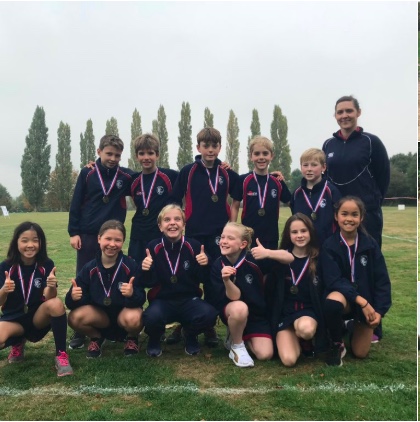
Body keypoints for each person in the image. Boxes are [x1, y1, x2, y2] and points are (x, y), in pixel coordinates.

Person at [322, 95, 390, 342]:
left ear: (358, 112)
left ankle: (374, 323)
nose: (344, 116)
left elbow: (383, 177)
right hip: (339, 217)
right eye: (340, 112)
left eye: (349, 111)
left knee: (368, 267)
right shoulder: (328, 144)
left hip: (366, 215)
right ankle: (345, 316)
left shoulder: (371, 142)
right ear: (335, 115)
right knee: (341, 265)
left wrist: (370, 206)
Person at [169, 127, 239, 346]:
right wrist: (181, 221)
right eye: (206, 146)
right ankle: (183, 322)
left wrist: (275, 176)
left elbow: (243, 190)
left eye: (214, 146)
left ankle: (208, 325)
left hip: (219, 236)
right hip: (194, 234)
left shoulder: (226, 172)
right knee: (188, 278)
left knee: (213, 280)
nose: (210, 150)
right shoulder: (188, 171)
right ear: (198, 147)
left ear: (220, 147)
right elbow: (174, 198)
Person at [68, 134, 135, 349]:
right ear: (98, 152)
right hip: (88, 235)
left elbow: (146, 175)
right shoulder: (88, 173)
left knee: (112, 276)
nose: (113, 158)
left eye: (117, 155)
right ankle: (81, 331)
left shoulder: (125, 176)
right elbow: (76, 202)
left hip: (112, 236)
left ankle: (113, 319)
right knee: (84, 279)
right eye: (108, 154)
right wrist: (74, 232)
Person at [319, 196, 391, 366]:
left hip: (364, 305)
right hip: (348, 300)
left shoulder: (370, 245)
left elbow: (382, 281)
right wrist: (362, 302)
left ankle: (351, 325)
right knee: (333, 301)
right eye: (344, 214)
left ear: (361, 218)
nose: (349, 219)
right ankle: (336, 343)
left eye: (354, 214)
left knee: (360, 353)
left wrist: (379, 312)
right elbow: (334, 280)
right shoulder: (329, 245)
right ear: (336, 216)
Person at [209, 222, 293, 367]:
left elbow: (289, 258)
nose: (224, 241)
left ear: (243, 244)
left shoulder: (255, 259)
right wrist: (226, 280)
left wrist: (268, 253)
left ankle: (239, 335)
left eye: (230, 238)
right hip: (233, 311)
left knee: (265, 354)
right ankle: (236, 346)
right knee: (240, 308)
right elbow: (234, 297)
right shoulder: (218, 265)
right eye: (222, 237)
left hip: (256, 316)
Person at [141, 204, 218, 357]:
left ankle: (189, 335)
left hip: (189, 300)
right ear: (160, 226)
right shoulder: (153, 247)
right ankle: (155, 339)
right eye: (167, 220)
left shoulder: (194, 246)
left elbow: (203, 278)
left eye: (177, 219)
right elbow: (148, 283)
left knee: (209, 314)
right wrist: (146, 269)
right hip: (163, 300)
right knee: (150, 317)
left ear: (183, 224)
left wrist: (205, 263)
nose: (172, 223)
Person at [0, 222, 73, 376]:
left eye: (35, 240)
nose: (30, 245)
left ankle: (61, 355)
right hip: (14, 320)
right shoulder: (5, 266)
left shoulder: (46, 264)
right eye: (25, 240)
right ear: (16, 242)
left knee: (56, 304)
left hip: (36, 318)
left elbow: (49, 297)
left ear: (41, 243)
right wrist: (4, 290)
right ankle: (17, 342)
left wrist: (51, 286)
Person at [65, 220, 144, 358]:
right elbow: (71, 302)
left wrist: (132, 294)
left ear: (123, 242)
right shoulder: (89, 268)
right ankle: (96, 337)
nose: (112, 244)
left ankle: (131, 338)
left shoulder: (130, 265)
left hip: (123, 316)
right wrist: (73, 297)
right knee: (74, 318)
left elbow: (141, 297)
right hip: (100, 317)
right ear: (99, 239)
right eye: (108, 238)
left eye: (117, 240)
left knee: (136, 318)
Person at [259, 214, 327, 367]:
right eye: (294, 232)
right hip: (286, 315)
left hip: (307, 313)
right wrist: (266, 254)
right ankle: (299, 342)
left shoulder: (319, 258)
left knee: (306, 330)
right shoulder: (280, 257)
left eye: (304, 231)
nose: (300, 235)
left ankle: (306, 338)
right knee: (289, 360)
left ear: (310, 232)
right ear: (288, 235)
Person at [230, 136, 291, 250]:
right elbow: (235, 205)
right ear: (251, 157)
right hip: (248, 237)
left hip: (271, 237)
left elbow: (292, 203)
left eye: (265, 153)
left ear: (271, 156)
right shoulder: (243, 180)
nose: (261, 157)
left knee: (268, 267)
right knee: (249, 267)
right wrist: (232, 228)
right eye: (257, 154)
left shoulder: (277, 181)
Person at [128, 133, 179, 264]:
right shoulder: (132, 180)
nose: (146, 157)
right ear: (136, 156)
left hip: (161, 234)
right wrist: (95, 165)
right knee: (137, 274)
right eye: (141, 153)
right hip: (138, 234)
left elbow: (193, 176)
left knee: (161, 274)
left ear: (157, 155)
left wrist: (221, 165)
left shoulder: (171, 176)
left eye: (150, 153)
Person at [290, 148, 341, 247]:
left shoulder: (332, 191)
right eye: (305, 165)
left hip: (328, 246)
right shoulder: (297, 194)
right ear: (301, 167)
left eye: (314, 165)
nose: (309, 169)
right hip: (304, 246)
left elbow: (339, 219)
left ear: (323, 167)